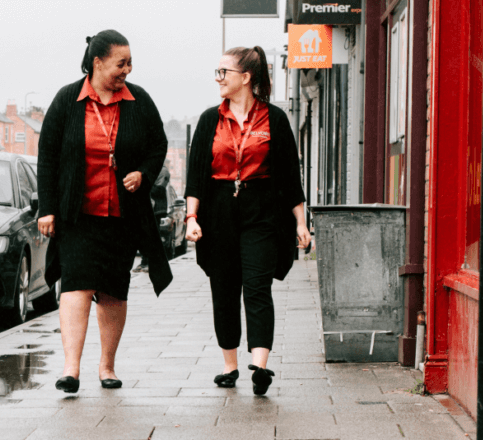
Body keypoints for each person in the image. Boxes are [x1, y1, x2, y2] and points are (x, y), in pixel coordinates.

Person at [36, 29, 172, 394]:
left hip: (121, 216)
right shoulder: (68, 100)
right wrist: (47, 209)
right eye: (120, 63)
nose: (127, 70)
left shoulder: (138, 101)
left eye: (129, 63)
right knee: (76, 285)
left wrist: (143, 173)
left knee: (114, 290)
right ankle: (71, 369)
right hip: (77, 216)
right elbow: (47, 157)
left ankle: (107, 366)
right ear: (97, 62)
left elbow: (158, 145)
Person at [183, 46, 310, 396]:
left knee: (257, 286)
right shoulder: (210, 119)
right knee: (224, 289)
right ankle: (229, 365)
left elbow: (289, 178)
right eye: (218, 71)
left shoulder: (275, 119)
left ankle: (260, 365)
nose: (218, 78)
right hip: (218, 213)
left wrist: (301, 222)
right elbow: (196, 177)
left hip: (262, 213)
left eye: (224, 72)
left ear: (246, 77)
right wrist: (191, 217)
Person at [134, 162, 172, 273]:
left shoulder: (163, 171)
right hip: (148, 207)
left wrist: (143, 187)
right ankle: (145, 262)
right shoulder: (149, 169)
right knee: (145, 236)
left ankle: (152, 264)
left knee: (153, 237)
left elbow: (159, 190)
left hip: (157, 209)